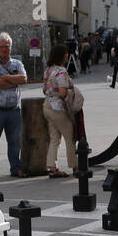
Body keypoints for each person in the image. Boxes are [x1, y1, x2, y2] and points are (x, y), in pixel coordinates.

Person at [0, 32, 27, 179]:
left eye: (6, 47)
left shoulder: (17, 64)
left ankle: (15, 168)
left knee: (15, 142)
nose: (4, 49)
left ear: (10, 48)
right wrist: (13, 80)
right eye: (1, 47)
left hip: (13, 110)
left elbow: (24, 79)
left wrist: (5, 77)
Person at [42, 45, 76, 178]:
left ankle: (52, 167)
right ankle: (75, 165)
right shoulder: (62, 72)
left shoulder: (48, 70)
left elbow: (44, 90)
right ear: (62, 56)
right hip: (58, 108)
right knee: (70, 136)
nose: (67, 56)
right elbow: (62, 93)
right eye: (66, 54)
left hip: (47, 105)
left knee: (54, 138)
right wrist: (71, 91)